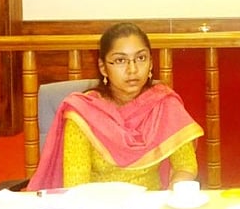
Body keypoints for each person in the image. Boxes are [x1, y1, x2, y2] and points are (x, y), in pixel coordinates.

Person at [28, 22, 204, 191]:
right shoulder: (84, 114)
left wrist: (176, 189)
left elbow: (185, 166)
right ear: (103, 67)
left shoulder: (165, 105)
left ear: (150, 63)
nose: (132, 69)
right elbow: (76, 186)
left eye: (141, 58)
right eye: (120, 60)